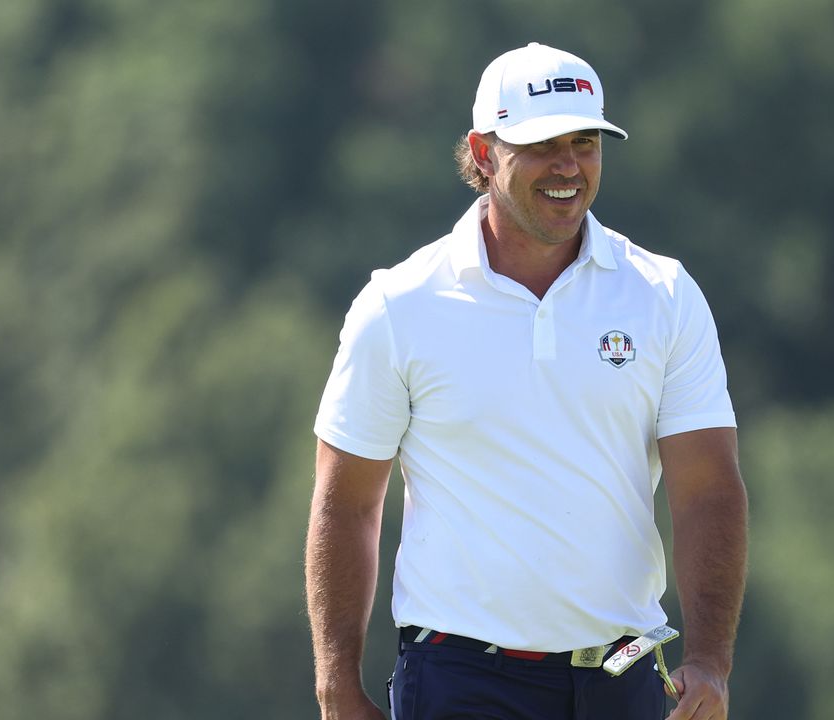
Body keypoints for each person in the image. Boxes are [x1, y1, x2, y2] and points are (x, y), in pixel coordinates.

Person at [306, 42, 747, 720]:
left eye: (585, 142)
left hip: (623, 670)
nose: (568, 165)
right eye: (541, 145)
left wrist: (712, 661)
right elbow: (347, 504)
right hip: (458, 675)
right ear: (483, 155)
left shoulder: (662, 294)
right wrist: (336, 681)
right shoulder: (400, 306)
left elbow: (708, 490)